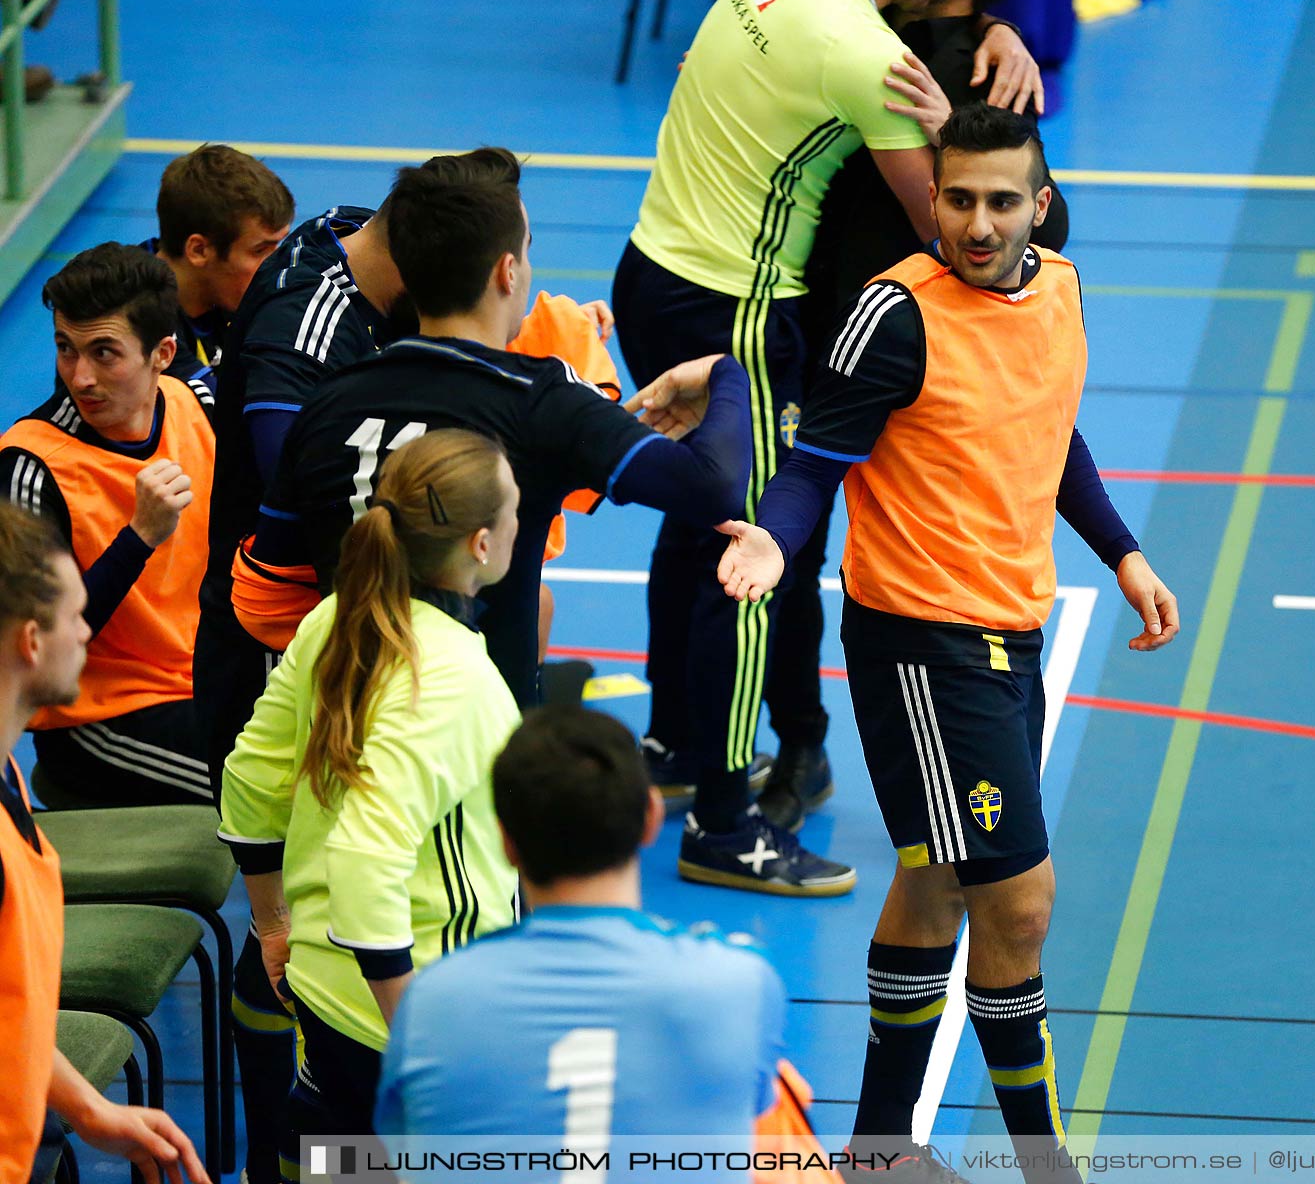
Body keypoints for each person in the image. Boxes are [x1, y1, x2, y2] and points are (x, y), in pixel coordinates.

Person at [717, 105, 1180, 1183]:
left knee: (932, 876)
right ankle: (1044, 1164)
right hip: (924, 640)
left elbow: (1050, 430)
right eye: (956, 198)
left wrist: (1121, 552)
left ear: (1041, 207)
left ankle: (879, 1152)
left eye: (999, 202)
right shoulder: (892, 314)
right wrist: (779, 549)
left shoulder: (1057, 288)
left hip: (1016, 622)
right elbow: (813, 464)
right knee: (1019, 900)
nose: (975, 223)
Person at [614, 0, 1050, 897]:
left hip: (654, 266)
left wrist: (997, 30)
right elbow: (950, 221)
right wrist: (948, 126)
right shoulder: (871, 57)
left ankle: (680, 740)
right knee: (751, 555)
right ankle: (723, 824)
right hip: (738, 306)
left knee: (698, 522)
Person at [240, 146, 751, 711]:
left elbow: (264, 589)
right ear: (508, 272)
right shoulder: (541, 401)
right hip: (480, 742)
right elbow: (715, 486)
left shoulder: (328, 401)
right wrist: (727, 375)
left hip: (345, 717)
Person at [762, 0, 1074, 833]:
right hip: (808, 320)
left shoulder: (979, 64)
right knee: (787, 553)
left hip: (919, 355)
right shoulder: (832, 26)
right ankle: (797, 743)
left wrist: (949, 127)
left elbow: (1046, 234)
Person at [217, 430, 524, 1180]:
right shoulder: (453, 675)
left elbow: (250, 781)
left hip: (324, 991)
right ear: (482, 544)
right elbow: (365, 855)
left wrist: (273, 925)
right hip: (416, 1012)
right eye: (516, 510)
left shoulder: (332, 619)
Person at [374, 706, 784, 1167]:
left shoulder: (434, 998)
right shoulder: (739, 981)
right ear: (651, 817)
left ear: (506, 841)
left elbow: (400, 1160)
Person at [0, 503, 209, 1184]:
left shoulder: (7, 772)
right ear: (31, 641)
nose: (90, 633)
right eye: (78, 616)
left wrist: (89, 1108)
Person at [0, 244, 214, 808]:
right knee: (279, 786)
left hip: (208, 672)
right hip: (101, 717)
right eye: (66, 349)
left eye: (104, 353)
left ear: (163, 353)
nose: (81, 377)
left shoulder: (197, 406)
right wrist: (139, 538)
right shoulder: (30, 466)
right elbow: (35, 643)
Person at [145, 144, 295, 390]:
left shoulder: (229, 294)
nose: (277, 267)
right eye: (260, 251)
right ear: (199, 250)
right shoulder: (139, 325)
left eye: (276, 247)